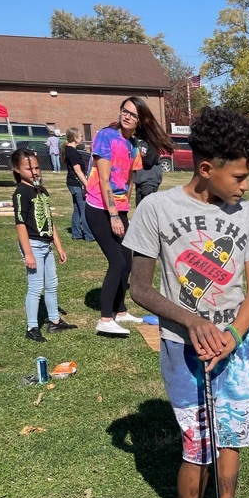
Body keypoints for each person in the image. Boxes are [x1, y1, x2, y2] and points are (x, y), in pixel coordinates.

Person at [125, 106, 249, 498]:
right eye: (240, 176)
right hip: (180, 348)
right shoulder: (157, 209)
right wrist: (193, 323)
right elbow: (141, 289)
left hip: (238, 348)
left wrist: (231, 334)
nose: (246, 185)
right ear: (206, 169)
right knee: (197, 445)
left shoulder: (248, 215)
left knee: (230, 441)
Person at [84, 96, 170, 336]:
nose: (127, 116)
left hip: (118, 209)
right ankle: (105, 318)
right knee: (117, 261)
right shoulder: (106, 136)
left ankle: (121, 311)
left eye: (132, 114)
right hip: (98, 207)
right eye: (125, 111)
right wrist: (113, 215)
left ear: (140, 120)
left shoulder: (133, 145)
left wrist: (123, 212)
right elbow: (103, 180)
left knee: (128, 260)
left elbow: (130, 181)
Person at [12, 149, 77, 342]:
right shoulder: (21, 193)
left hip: (46, 245)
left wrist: (58, 245)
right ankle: (32, 328)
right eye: (29, 168)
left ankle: (54, 322)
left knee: (52, 284)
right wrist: (28, 253)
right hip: (33, 245)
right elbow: (20, 224)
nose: (34, 172)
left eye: (37, 167)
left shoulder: (41, 189)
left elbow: (48, 219)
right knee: (36, 287)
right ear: (17, 169)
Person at [62, 129, 95, 242]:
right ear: (75, 138)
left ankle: (76, 233)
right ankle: (89, 235)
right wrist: (87, 185)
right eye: (80, 136)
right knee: (84, 209)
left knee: (77, 208)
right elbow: (78, 170)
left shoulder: (70, 150)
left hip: (72, 183)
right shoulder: (72, 151)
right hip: (76, 183)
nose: (82, 138)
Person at [134, 134, 164, 205]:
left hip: (149, 181)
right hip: (140, 180)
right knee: (139, 209)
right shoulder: (138, 141)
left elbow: (148, 161)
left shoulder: (151, 142)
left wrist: (136, 158)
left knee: (147, 209)